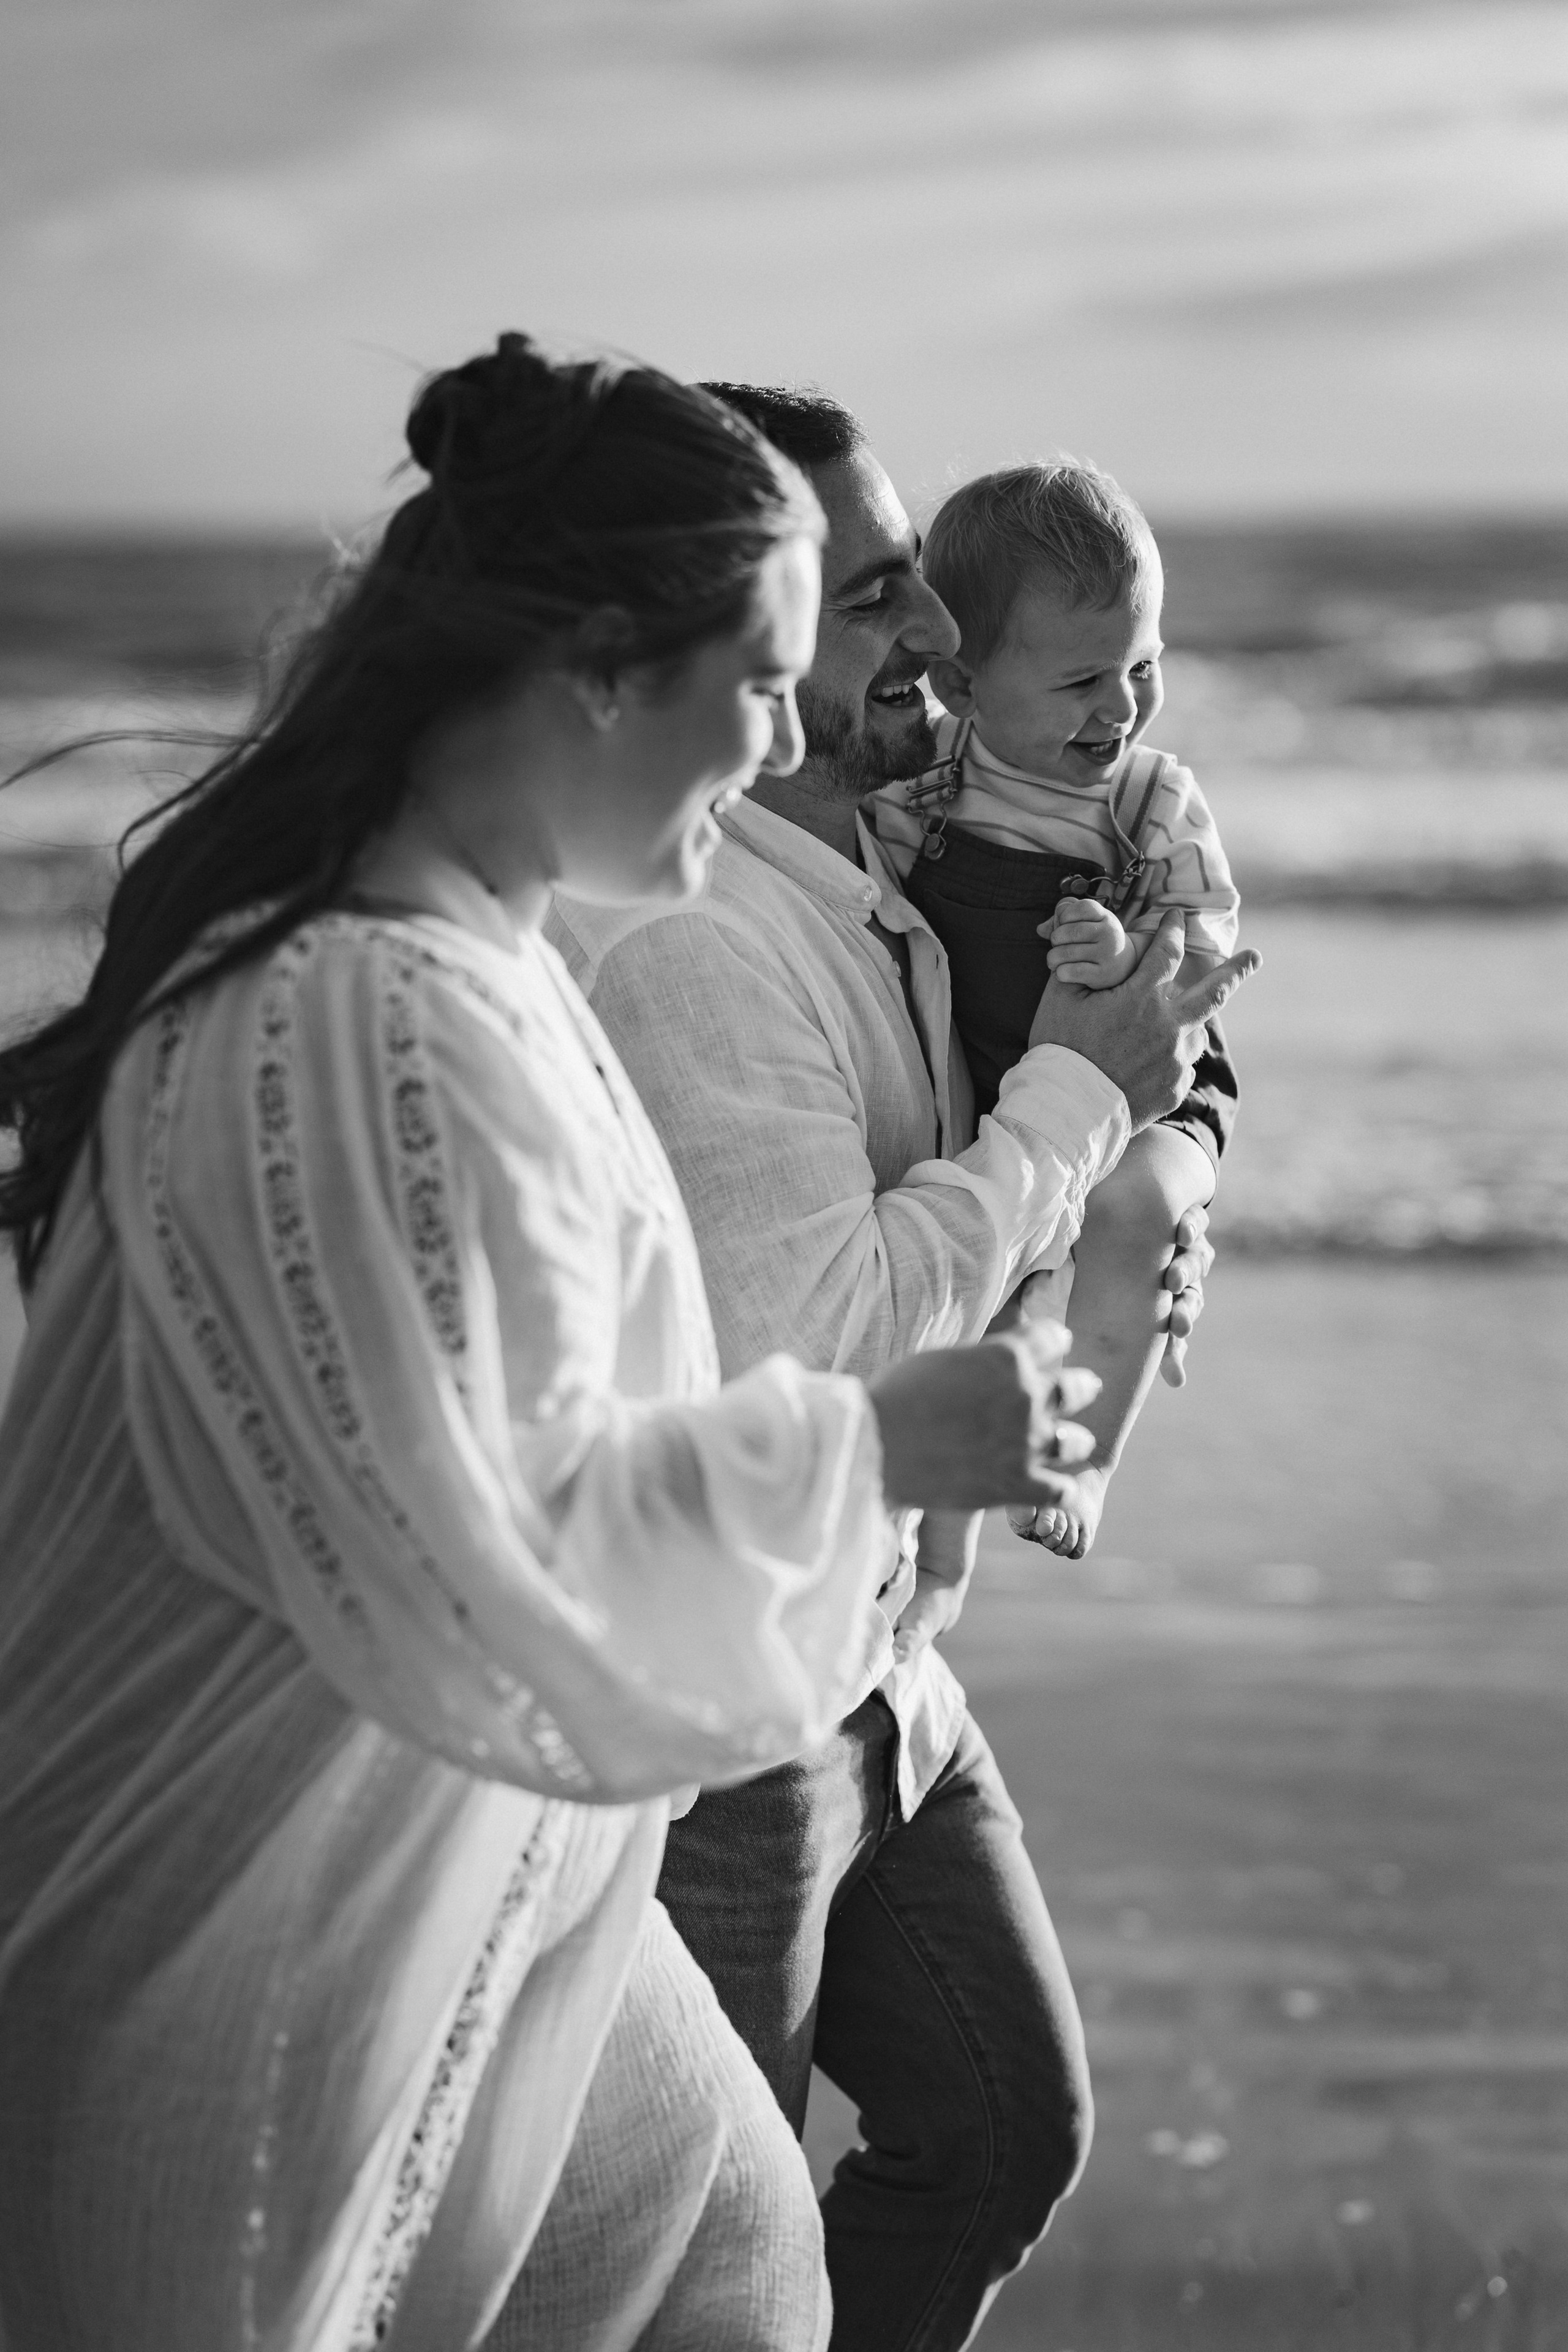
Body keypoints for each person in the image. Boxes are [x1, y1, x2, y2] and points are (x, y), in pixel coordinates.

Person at [0, 338, 1100, 2352]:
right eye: (761, 677)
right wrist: (880, 1440)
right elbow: (475, 1549)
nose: (787, 737)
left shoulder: (476, 961)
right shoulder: (359, 1019)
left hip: (495, 1888)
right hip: (253, 1927)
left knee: (731, 2251)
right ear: (603, 664)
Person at [547, 383, 1259, 2352]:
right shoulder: (693, 950)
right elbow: (836, 1343)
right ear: (747, 638)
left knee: (1004, 2126)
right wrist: (1066, 1123)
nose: (936, 639)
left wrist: (1143, 1182)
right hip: (734, 1723)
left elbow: (1098, 1105)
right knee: (716, 2253)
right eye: (882, 597)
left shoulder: (887, 878)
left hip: (884, 1662)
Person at [870, 459, 1242, 1560]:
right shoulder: (919, 790)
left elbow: (1208, 957)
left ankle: (1085, 1462)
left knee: (1131, 1215)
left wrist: (1135, 950)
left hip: (1157, 1092)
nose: (1122, 707)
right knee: (978, 1307)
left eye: (1144, 665)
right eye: (1083, 682)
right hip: (993, 1074)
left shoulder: (1150, 799)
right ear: (962, 685)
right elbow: (869, 910)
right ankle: (937, 1564)